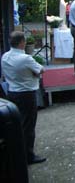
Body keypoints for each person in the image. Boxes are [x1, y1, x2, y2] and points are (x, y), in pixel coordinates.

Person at [1, 31, 46, 164]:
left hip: (12, 92)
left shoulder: (5, 56)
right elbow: (40, 70)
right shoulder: (25, 58)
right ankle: (28, 155)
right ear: (22, 42)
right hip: (26, 93)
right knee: (28, 125)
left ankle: (18, 152)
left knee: (18, 123)